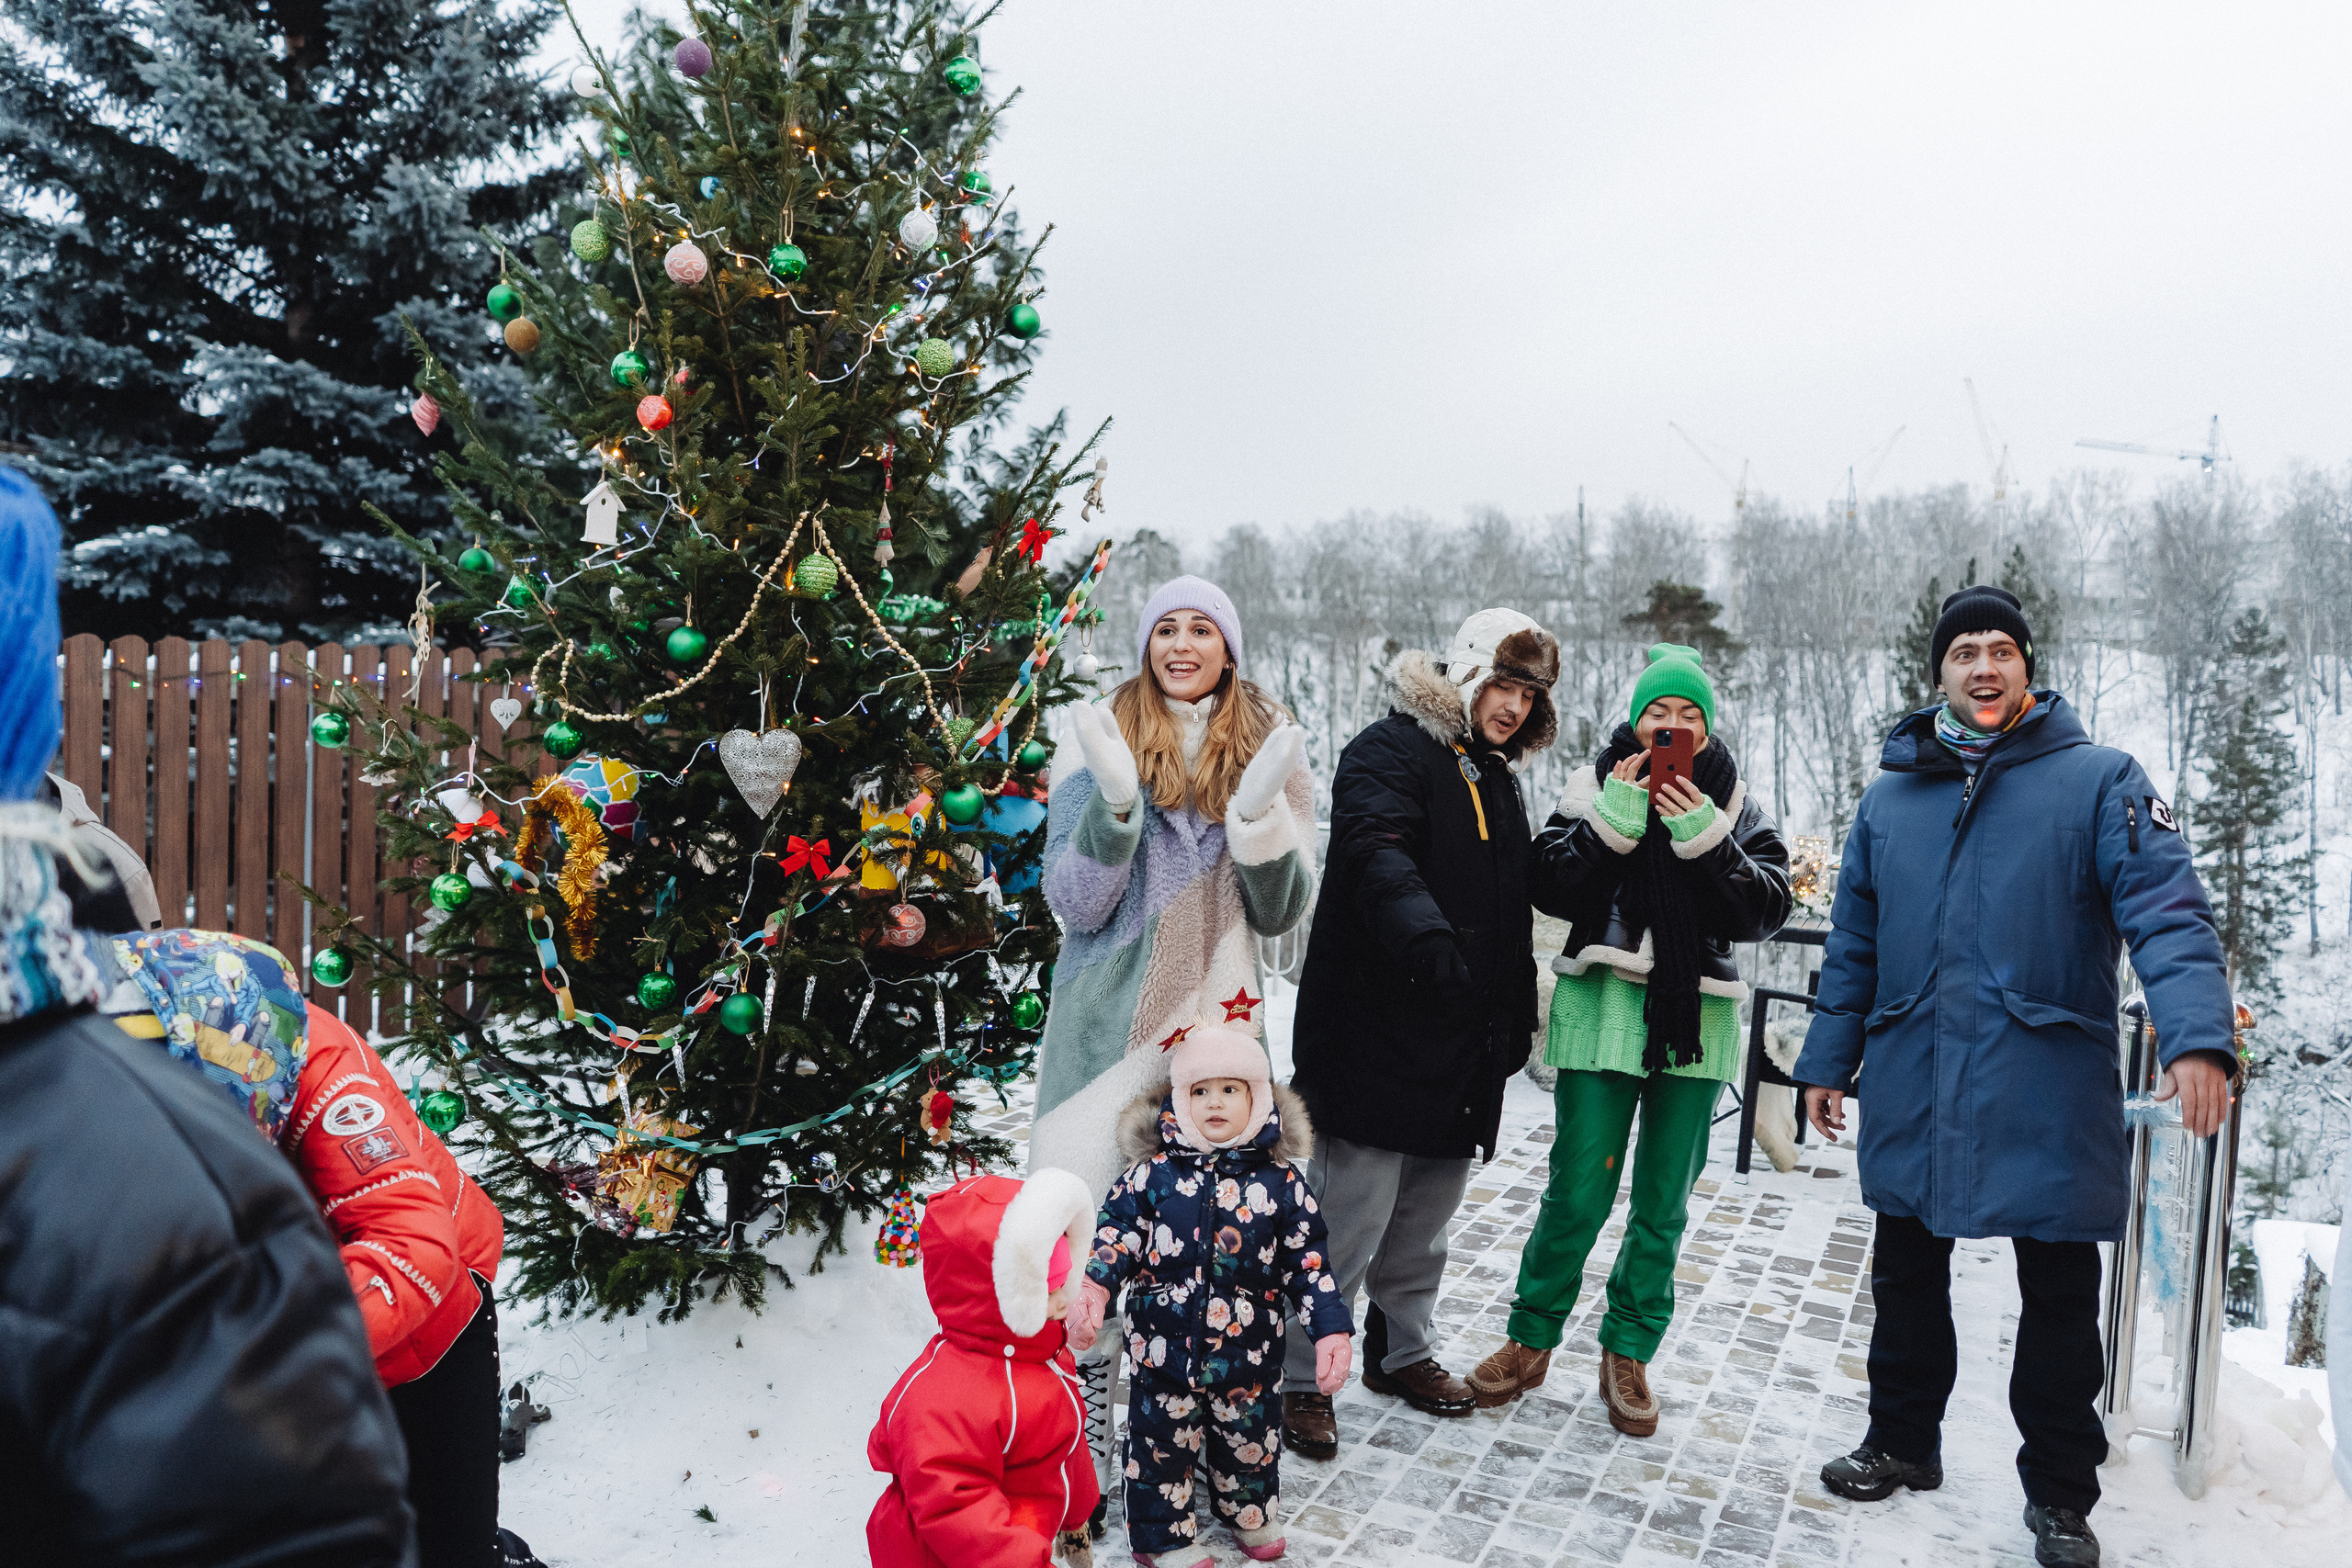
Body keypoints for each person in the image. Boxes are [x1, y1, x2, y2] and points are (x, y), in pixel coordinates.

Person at [0, 468, 414, 1565]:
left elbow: (420, 1241)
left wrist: (334, 1322)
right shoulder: (159, 1167)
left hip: (426, 1319)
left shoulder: (295, 1095)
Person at [1791, 585, 2237, 1568]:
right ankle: (1903, 1445)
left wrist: (2195, 1035)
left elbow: (2167, 909)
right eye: (1963, 653)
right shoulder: (1890, 795)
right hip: (1915, 1069)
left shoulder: (2100, 781)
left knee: (2058, 1296)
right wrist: (1825, 1061)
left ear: (2026, 667)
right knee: (1904, 1272)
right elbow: (1854, 945)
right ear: (1939, 673)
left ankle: (2060, 1498)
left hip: (2045, 1077)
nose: (1983, 667)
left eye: (2000, 650)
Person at [1030, 574, 1317, 1501]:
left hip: (1218, 1026)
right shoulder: (1095, 741)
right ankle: (1078, 1427)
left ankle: (1193, 1429)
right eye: (1167, 628)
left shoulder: (1268, 751)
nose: (1182, 643)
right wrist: (1116, 808)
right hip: (1106, 1030)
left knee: (1213, 1237)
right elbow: (1073, 904)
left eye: (1203, 628)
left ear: (1228, 649)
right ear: (1146, 642)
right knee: (1084, 1221)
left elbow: (1281, 913)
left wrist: (1257, 819)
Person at [95, 928, 509, 1568]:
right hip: (293, 1343)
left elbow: (415, 1245)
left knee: (448, 1540)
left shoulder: (327, 1080)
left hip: (431, 1325)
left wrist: (252, 1336)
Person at [1469, 644, 1792, 1432]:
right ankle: (1531, 1337)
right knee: (1576, 1188)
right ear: (1636, 719)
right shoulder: (1594, 786)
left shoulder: (1738, 804)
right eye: (1659, 713)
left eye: (1689, 716)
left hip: (1695, 1019)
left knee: (1662, 1203)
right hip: (1602, 1006)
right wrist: (1611, 823)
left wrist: (1708, 837)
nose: (1672, 726)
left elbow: (1765, 907)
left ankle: (1629, 1352)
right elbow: (1547, 884)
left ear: (1707, 731)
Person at [1283, 608, 1562, 1457]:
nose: (1511, 706)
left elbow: (1513, 911)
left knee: (1425, 1222)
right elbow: (1376, 847)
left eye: (1529, 693)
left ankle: (1399, 1352)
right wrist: (1426, 934)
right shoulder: (1389, 748)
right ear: (1468, 672)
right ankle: (1301, 1374)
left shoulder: (1498, 775)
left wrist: (1512, 1009)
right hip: (1377, 1028)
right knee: (1348, 1217)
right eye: (1503, 684)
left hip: (1459, 1040)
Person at [1067, 1018, 1352, 1567]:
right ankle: (1162, 1538)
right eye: (1200, 1091)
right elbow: (1113, 1239)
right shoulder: (1149, 1176)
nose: (1215, 1103)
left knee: (1249, 1441)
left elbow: (1309, 1263)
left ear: (1259, 1098)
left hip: (1250, 1356)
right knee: (1159, 1448)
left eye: (1230, 1090)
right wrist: (1094, 1291)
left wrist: (1330, 1330)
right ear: (1180, 1097)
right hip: (1162, 1353)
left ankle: (1248, 1513)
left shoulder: (1281, 1184)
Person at [866, 1168, 1101, 1568]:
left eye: (1067, 1282)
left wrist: (1076, 1517)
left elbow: (1065, 1443)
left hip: (1020, 1537)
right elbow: (958, 1508)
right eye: (1048, 1291)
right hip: (943, 1556)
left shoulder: (1045, 1358)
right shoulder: (944, 1400)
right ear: (1000, 1292)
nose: (1066, 1303)